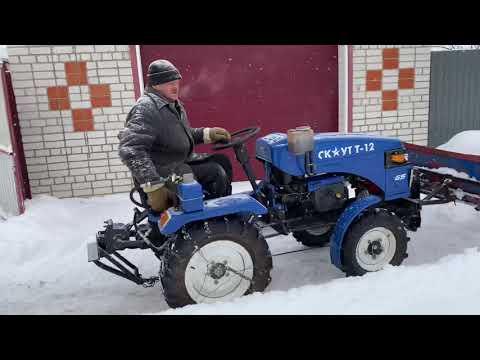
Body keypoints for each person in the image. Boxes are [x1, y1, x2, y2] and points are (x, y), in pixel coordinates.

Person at [118, 59, 233, 215]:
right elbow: (131, 149)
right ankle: (212, 219)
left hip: (177, 167)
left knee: (221, 161)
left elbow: (177, 135)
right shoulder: (146, 109)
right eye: (169, 83)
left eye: (176, 82)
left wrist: (207, 134)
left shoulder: (172, 104)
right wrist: (153, 186)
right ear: (156, 84)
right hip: (167, 177)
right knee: (216, 172)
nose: (175, 87)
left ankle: (215, 211)